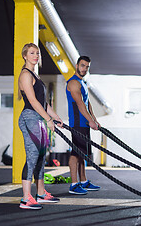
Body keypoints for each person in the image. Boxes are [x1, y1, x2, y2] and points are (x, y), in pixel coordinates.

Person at [18, 43, 63, 209]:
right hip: (30, 118)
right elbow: (33, 101)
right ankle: (25, 199)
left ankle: (41, 193)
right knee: (32, 157)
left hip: (39, 119)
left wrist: (56, 118)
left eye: (37, 53)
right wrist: (48, 120)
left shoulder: (35, 75)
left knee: (41, 157)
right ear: (25, 56)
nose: (35, 56)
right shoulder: (25, 75)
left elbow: (44, 103)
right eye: (32, 53)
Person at [66, 56, 101, 194]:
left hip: (84, 122)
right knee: (76, 153)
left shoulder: (82, 82)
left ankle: (83, 181)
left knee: (82, 153)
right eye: (82, 66)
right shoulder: (73, 83)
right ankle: (74, 184)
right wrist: (90, 121)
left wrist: (94, 119)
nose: (84, 69)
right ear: (76, 65)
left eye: (87, 67)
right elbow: (80, 105)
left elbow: (87, 103)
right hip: (77, 123)